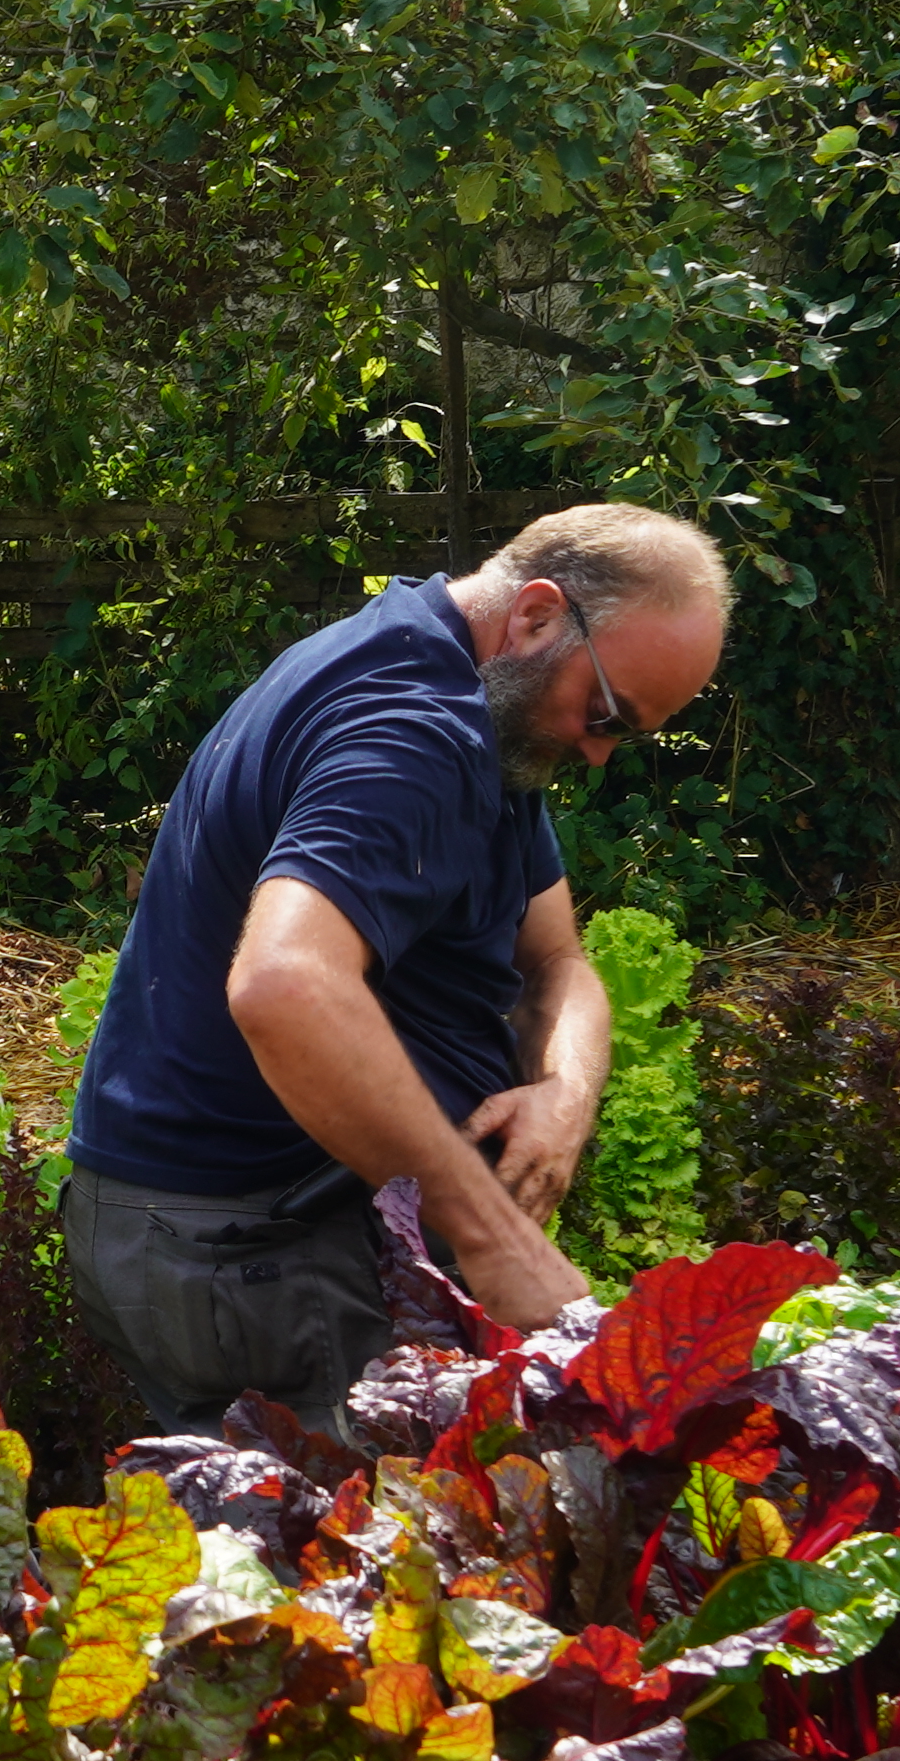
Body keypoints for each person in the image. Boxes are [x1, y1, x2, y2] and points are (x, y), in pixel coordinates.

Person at [60, 501, 732, 1437]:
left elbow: (557, 960)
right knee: (352, 1571)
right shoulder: (412, 734)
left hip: (255, 1238)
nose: (599, 751)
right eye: (605, 713)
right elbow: (285, 984)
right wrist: (498, 1243)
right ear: (536, 616)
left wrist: (563, 1097)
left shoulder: (489, 707)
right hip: (249, 1244)